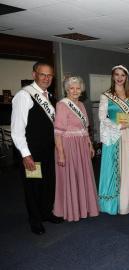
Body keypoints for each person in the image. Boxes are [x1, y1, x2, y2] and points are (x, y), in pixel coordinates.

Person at [11, 61, 63, 235]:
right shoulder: (24, 96)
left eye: (50, 75)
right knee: (33, 186)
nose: (46, 78)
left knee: (48, 183)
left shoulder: (50, 97)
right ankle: (35, 220)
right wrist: (26, 155)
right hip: (31, 152)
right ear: (34, 75)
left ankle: (46, 213)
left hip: (48, 151)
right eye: (43, 74)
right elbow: (17, 131)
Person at [98, 65, 129, 215]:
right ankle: (118, 202)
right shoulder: (106, 95)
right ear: (113, 76)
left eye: (122, 75)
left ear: (126, 77)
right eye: (117, 74)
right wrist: (117, 126)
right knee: (116, 166)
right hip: (115, 134)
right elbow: (102, 117)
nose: (119, 77)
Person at [53, 76, 99, 222]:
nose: (75, 91)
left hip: (81, 145)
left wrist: (90, 145)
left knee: (82, 175)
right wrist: (60, 153)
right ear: (67, 89)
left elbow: (85, 129)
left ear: (81, 90)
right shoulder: (61, 105)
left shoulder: (81, 105)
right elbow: (58, 132)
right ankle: (71, 209)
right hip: (68, 145)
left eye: (78, 88)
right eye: (71, 88)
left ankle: (83, 206)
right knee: (70, 176)